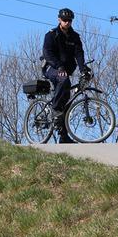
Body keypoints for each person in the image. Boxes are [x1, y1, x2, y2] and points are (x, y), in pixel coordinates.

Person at [42, 8, 90, 143]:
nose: (67, 22)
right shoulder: (51, 35)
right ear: (59, 20)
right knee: (63, 80)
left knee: (67, 100)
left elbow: (79, 54)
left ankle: (63, 137)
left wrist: (83, 69)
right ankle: (55, 109)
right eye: (65, 20)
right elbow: (47, 53)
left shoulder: (75, 37)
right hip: (51, 67)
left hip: (65, 71)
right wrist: (59, 66)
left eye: (69, 20)